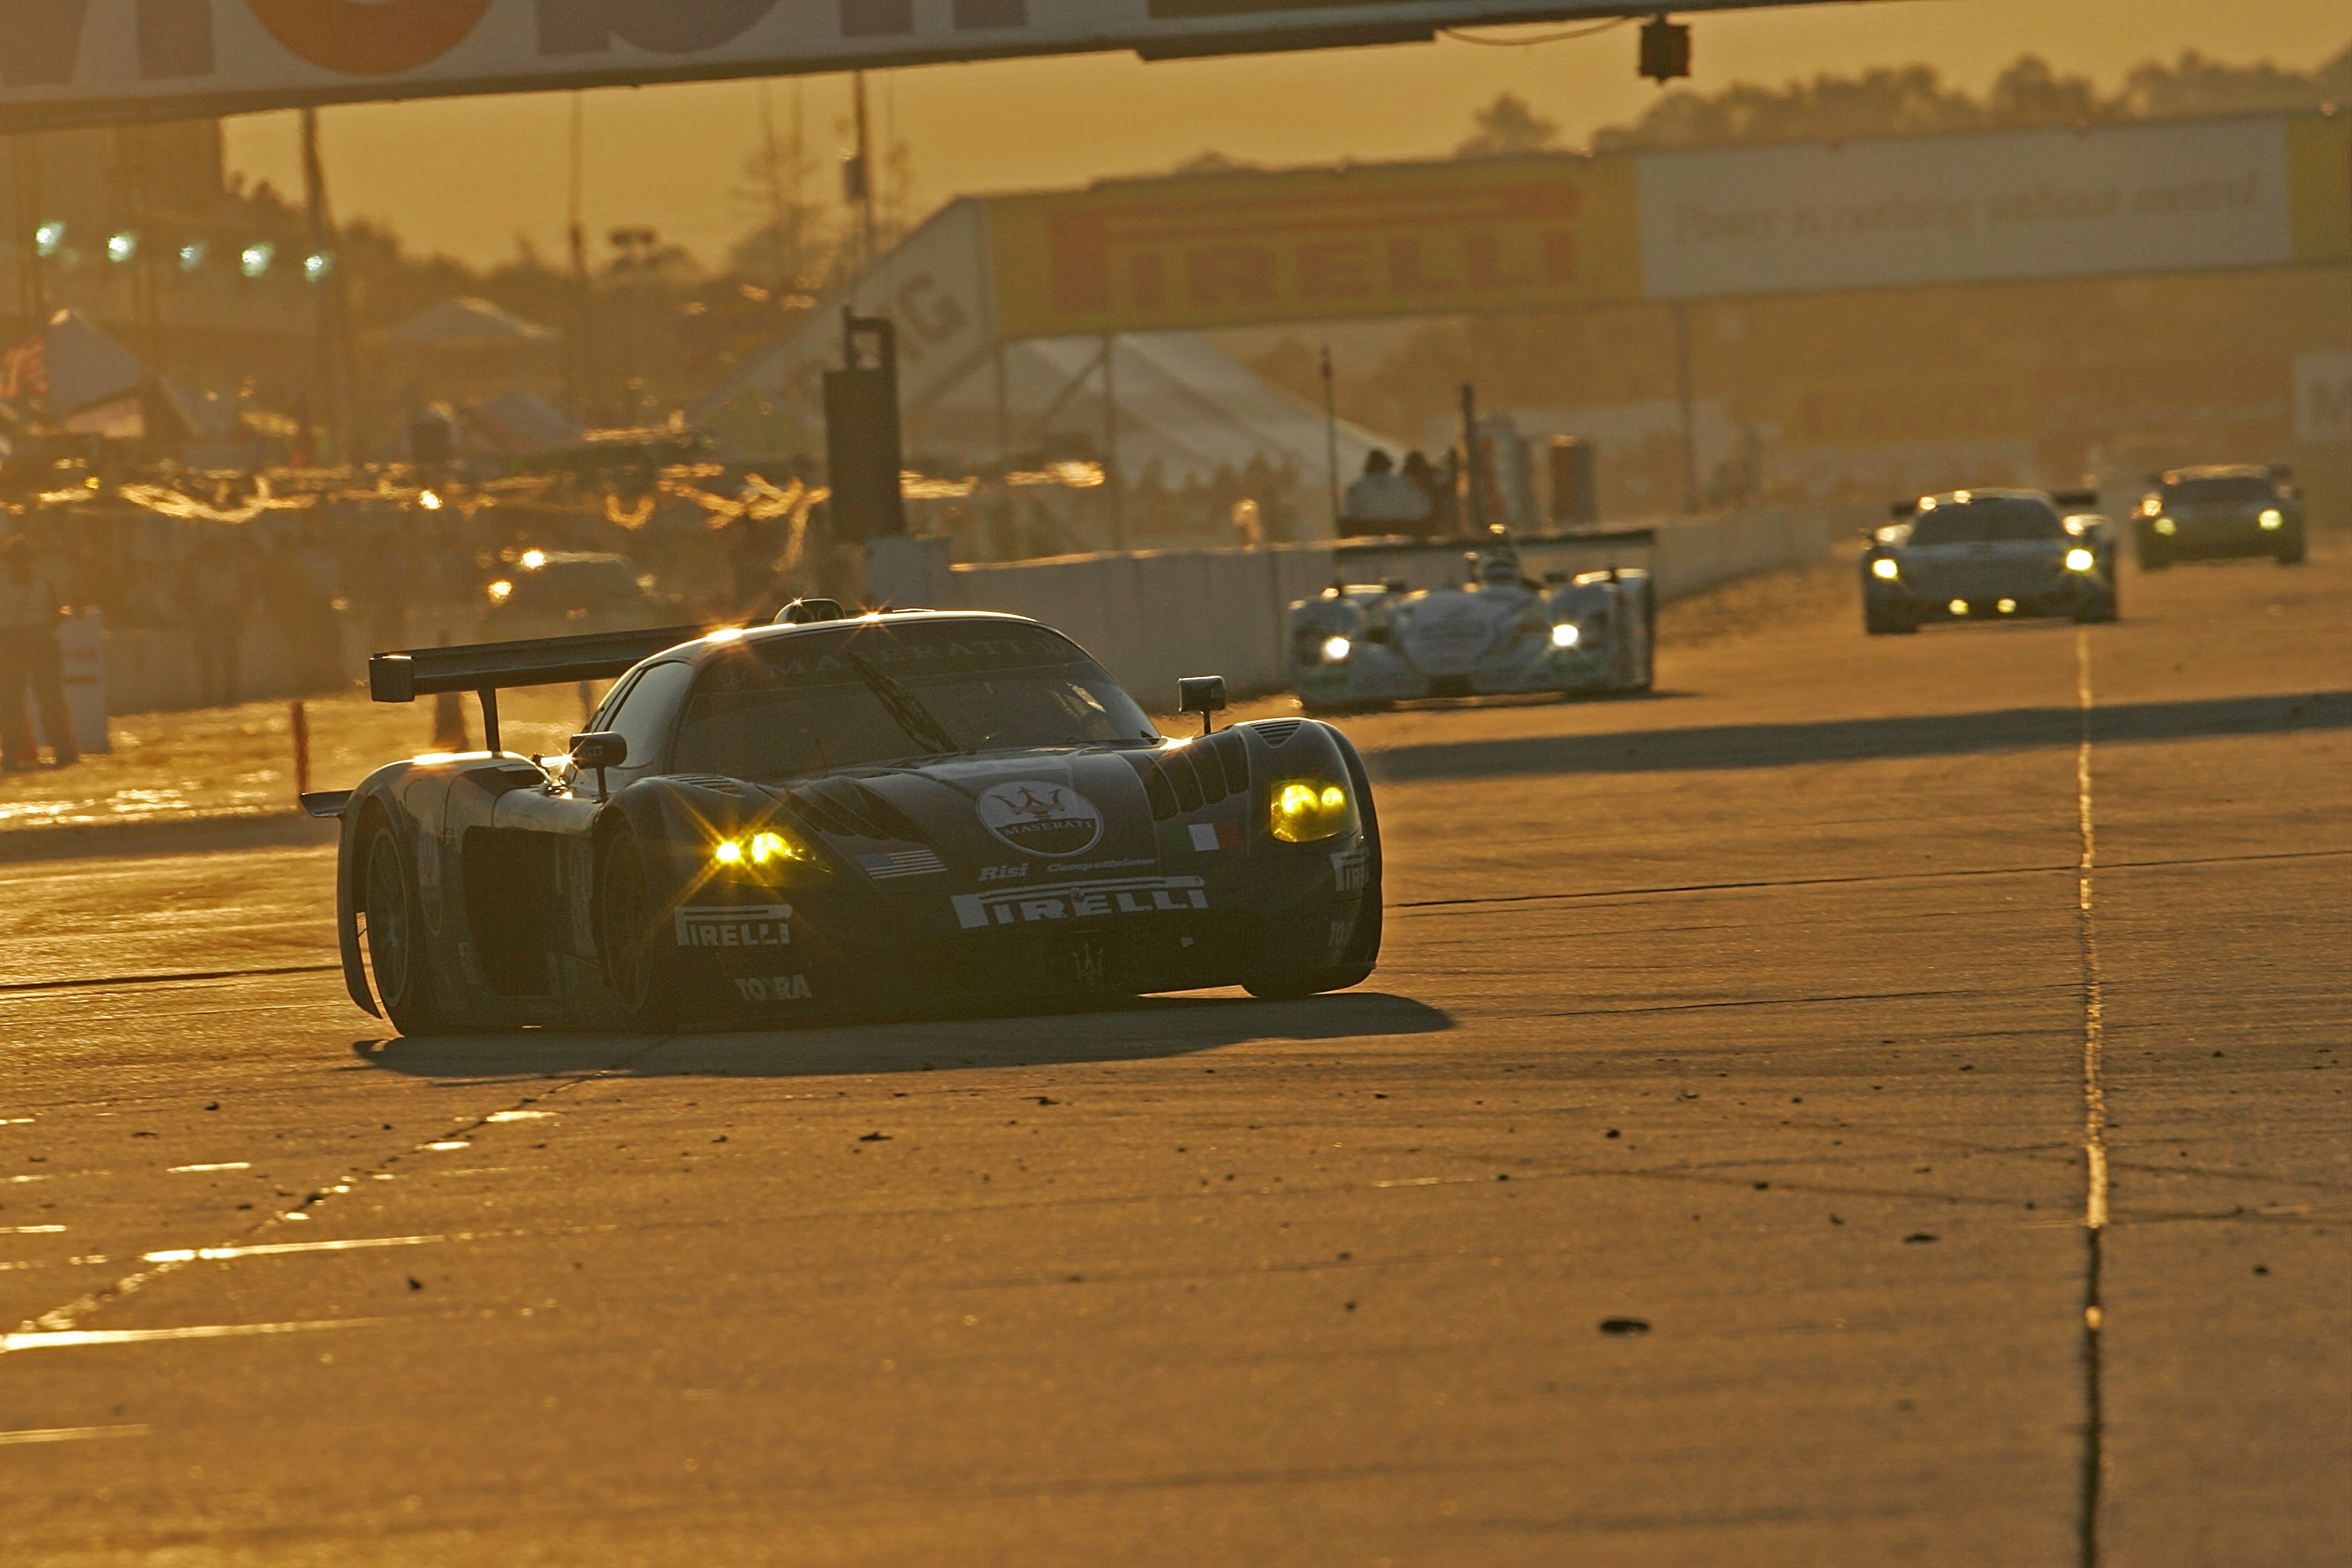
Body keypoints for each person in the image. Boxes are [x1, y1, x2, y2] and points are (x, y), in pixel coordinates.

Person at [0, 534, 79, 771]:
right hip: (39, 642)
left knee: (12, 701)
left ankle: (13, 754)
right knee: (47, 699)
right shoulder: (44, 584)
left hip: (11, 644)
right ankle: (61, 751)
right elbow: (57, 616)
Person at [186, 528, 254, 708]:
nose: (218, 554)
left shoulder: (234, 569)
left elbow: (244, 591)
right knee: (207, 656)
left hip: (228, 614)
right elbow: (192, 594)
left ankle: (230, 695)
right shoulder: (200, 570)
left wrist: (242, 610)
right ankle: (208, 695)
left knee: (230, 655)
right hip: (208, 614)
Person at [1340, 449, 1434, 539]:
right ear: (1389, 465)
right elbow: (1422, 512)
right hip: (1403, 534)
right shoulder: (1406, 484)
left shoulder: (1357, 487)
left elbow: (1348, 516)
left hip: (1368, 535)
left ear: (1368, 467)